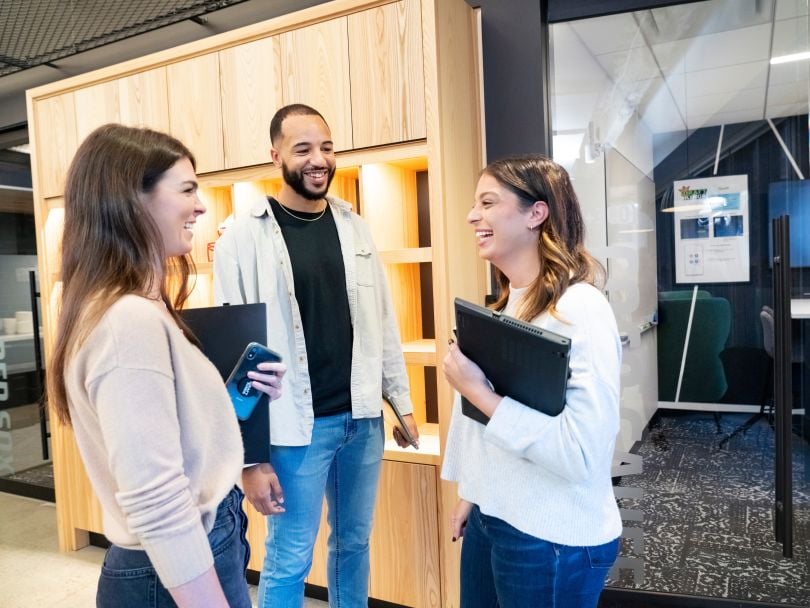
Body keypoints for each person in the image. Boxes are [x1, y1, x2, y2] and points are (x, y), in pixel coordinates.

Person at [47, 123, 285, 608]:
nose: (200, 206)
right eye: (187, 190)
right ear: (134, 201)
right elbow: (154, 496)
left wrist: (225, 400)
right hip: (171, 569)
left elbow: (169, 437)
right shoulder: (126, 321)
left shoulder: (130, 308)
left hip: (193, 548)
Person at [213, 103, 420, 608]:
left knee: (354, 544)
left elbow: (382, 321)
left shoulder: (354, 226)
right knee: (289, 556)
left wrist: (402, 402)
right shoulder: (243, 235)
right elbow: (232, 354)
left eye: (326, 148)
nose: (319, 160)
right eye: (303, 149)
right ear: (276, 155)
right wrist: (249, 458)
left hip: (362, 421)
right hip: (293, 428)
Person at [441, 155, 622, 608]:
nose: (472, 216)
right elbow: (491, 428)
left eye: (487, 203)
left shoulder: (581, 310)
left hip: (550, 536)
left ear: (536, 213)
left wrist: (476, 390)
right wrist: (473, 493)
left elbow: (580, 454)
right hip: (494, 515)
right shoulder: (509, 305)